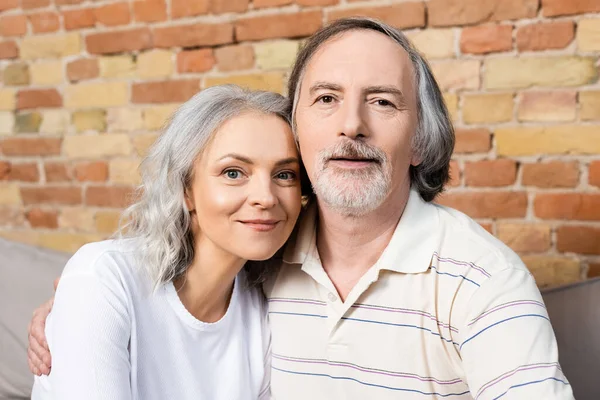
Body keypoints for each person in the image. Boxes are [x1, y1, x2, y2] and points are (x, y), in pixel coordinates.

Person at [28, 18, 574, 399]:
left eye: (382, 101)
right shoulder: (270, 254)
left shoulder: (481, 280)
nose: (350, 125)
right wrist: (81, 302)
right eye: (326, 99)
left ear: (422, 144)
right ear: (302, 132)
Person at [29, 85, 304, 399]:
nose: (266, 198)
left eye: (285, 174)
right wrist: (73, 300)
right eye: (233, 172)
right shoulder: (103, 278)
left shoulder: (265, 309)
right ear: (185, 189)